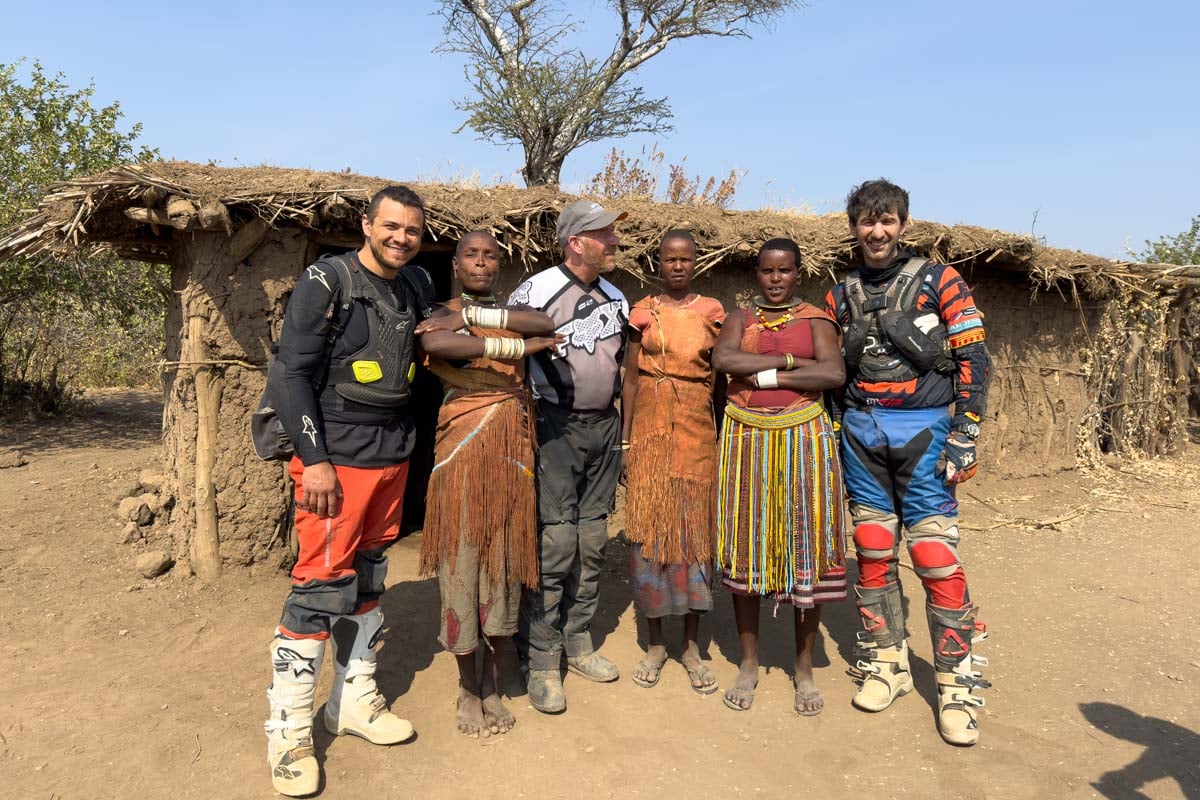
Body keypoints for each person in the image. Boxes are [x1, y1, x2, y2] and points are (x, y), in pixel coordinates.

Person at [263, 186, 431, 797]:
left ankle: (352, 702)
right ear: (367, 224)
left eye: (411, 230)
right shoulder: (326, 282)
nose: (401, 238)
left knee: (368, 582)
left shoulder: (413, 286)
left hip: (391, 456)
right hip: (337, 461)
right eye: (391, 227)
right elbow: (290, 374)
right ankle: (287, 731)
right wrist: (316, 461)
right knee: (318, 589)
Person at [826, 178, 993, 746]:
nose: (877, 231)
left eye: (888, 220)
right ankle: (887, 663)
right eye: (867, 221)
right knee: (872, 550)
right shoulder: (840, 292)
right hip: (860, 434)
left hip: (924, 432)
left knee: (932, 552)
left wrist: (965, 432)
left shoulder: (939, 279)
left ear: (904, 224)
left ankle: (956, 685)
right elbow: (831, 372)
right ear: (853, 227)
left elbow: (975, 356)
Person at [415, 230, 563, 738]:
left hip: (510, 449)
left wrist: (476, 320)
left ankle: (494, 684)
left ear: (499, 265)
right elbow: (438, 344)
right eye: (471, 256)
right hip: (460, 447)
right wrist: (519, 345)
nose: (481, 263)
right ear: (455, 264)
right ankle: (467, 687)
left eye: (490, 257)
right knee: (461, 558)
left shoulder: (505, 311)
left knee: (503, 559)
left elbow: (545, 324)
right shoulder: (438, 311)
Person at [711, 238, 848, 716]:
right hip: (746, 440)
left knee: (805, 543)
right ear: (757, 273)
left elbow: (832, 375)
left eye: (784, 271)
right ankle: (748, 664)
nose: (775, 280)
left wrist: (765, 374)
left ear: (797, 273)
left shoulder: (816, 320)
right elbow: (724, 361)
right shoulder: (740, 319)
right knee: (747, 542)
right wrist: (794, 364)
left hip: (803, 442)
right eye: (767, 271)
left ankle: (804, 667)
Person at [510, 199, 630, 714]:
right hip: (555, 426)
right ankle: (540, 655)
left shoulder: (615, 296)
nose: (615, 243)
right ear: (576, 241)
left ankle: (577, 640)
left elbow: (628, 367)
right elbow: (504, 353)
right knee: (556, 541)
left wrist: (624, 436)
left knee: (593, 537)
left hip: (605, 427)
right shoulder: (537, 291)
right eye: (605, 235)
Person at [620, 230, 725, 694]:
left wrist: (719, 437)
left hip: (696, 433)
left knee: (692, 537)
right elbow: (627, 380)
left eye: (686, 259)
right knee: (648, 535)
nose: (678, 266)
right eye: (669, 259)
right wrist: (625, 443)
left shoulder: (713, 313)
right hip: (648, 429)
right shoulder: (642, 313)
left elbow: (720, 384)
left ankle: (690, 646)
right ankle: (656, 643)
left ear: (696, 263)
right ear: (658, 262)